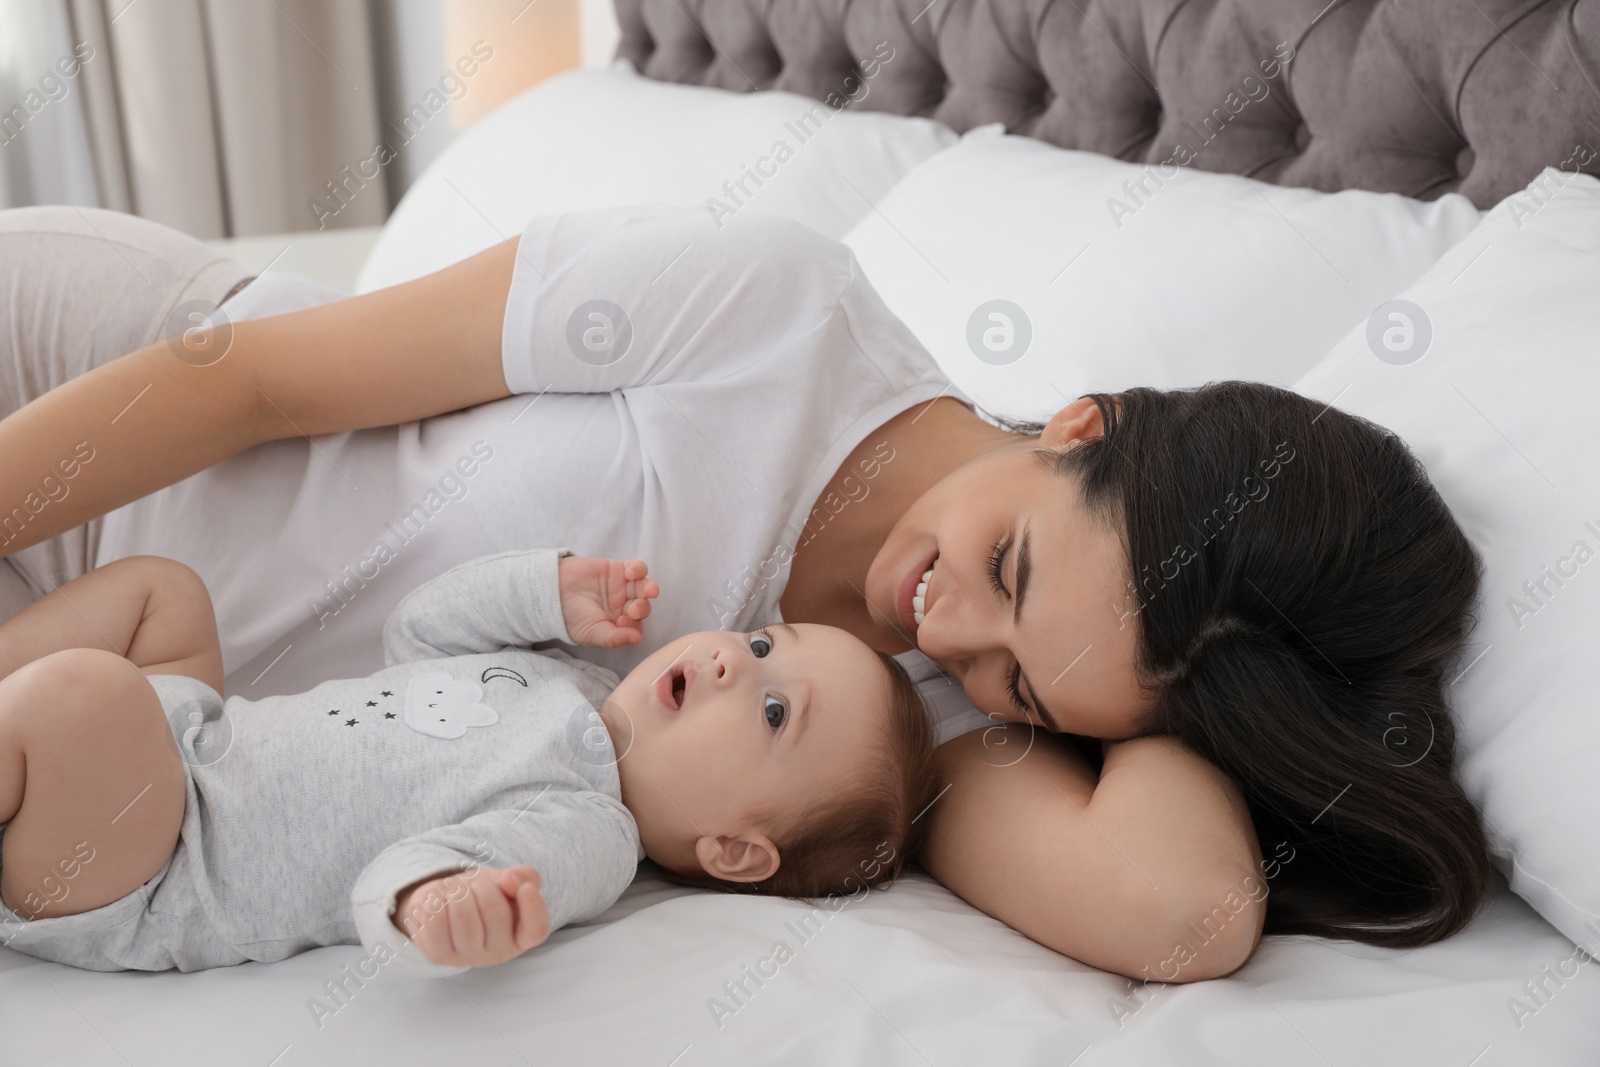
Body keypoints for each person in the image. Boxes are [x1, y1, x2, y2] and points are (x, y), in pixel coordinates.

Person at [0, 202, 1490, 981]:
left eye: (1020, 677)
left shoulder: (897, 735)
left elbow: (1185, 909)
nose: (938, 628)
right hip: (84, 406)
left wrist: (1176, 688)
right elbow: (251, 381)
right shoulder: (777, 307)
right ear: (1079, 420)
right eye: (1013, 563)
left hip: (107, 695)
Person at [0, 548, 936, 975]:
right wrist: (545, 589)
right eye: (764, 642)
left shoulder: (587, 830)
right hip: (190, 735)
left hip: (160, 860)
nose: (735, 659)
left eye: (775, 710)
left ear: (734, 849)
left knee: (83, 694)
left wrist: (438, 904)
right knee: (163, 592)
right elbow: (416, 632)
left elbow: (393, 880)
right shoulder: (568, 678)